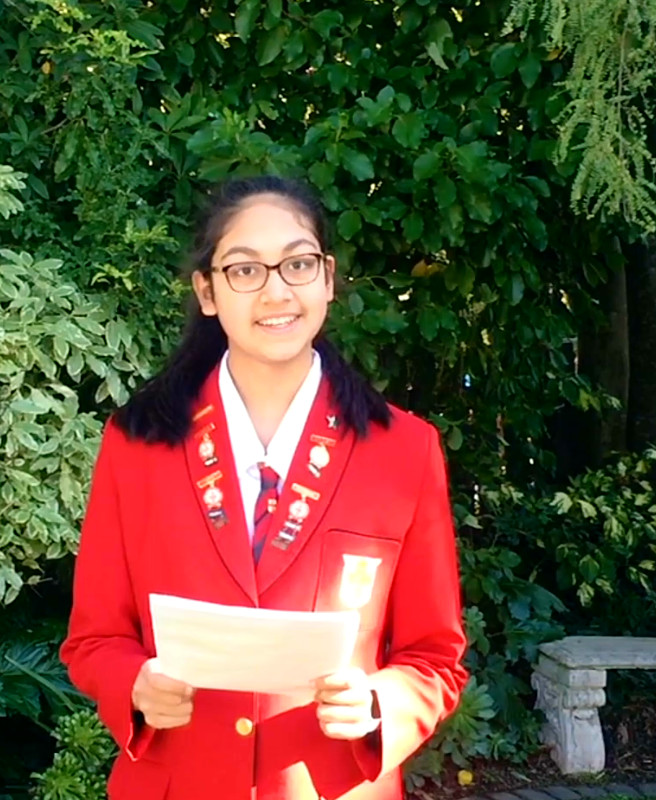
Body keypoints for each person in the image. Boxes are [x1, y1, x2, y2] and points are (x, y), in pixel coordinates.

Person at [60, 175, 468, 800]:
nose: (277, 291)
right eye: (245, 270)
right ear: (207, 291)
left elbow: (434, 656)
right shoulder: (139, 444)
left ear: (327, 278)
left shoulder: (402, 451)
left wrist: (378, 703)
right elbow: (94, 639)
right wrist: (133, 684)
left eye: (298, 264)